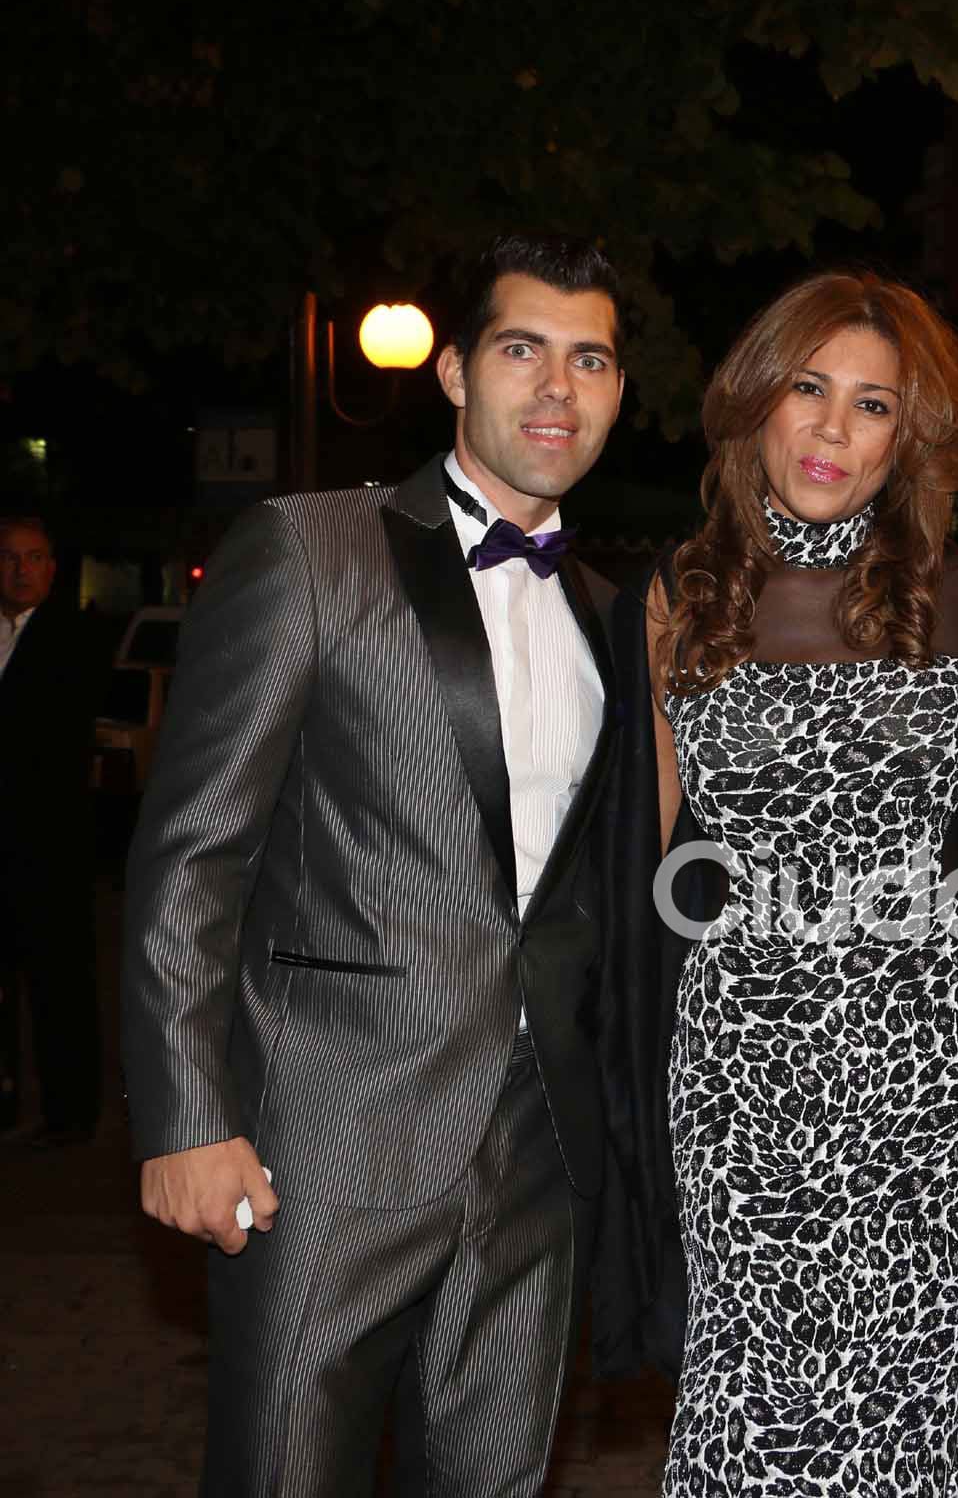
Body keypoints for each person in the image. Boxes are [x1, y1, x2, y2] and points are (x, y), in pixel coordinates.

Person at [121, 234, 626, 1496]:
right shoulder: (310, 549)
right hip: (324, 1142)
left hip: (536, 1152)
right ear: (453, 369)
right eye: (522, 350)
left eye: (591, 360)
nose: (557, 388)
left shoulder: (615, 616)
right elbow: (193, 849)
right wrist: (188, 1116)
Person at [633, 270, 958, 1494]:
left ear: (910, 435)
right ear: (758, 400)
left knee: (912, 1405)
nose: (831, 431)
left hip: (933, 1061)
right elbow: (652, 852)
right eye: (808, 389)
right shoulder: (677, 598)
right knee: (747, 1393)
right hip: (744, 1055)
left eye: (871, 405)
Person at [0, 514, 105, 1146]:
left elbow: (52, 735)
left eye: (32, 557)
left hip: (47, 844)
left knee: (58, 984)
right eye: (9, 557)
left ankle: (71, 1115)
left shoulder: (73, 638)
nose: (20, 569)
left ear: (51, 567)